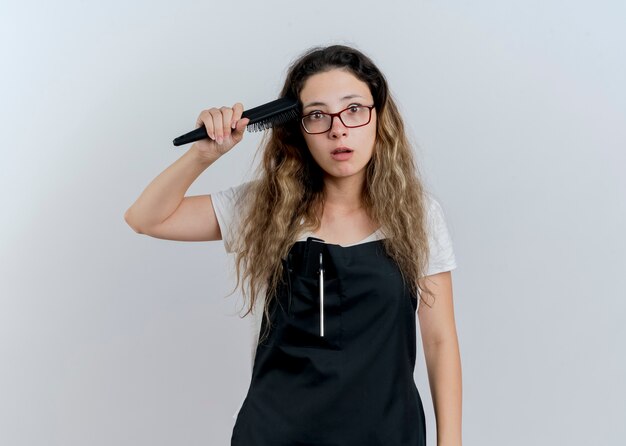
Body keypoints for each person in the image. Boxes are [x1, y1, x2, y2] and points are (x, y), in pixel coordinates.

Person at [124, 44, 462, 446]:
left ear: (379, 117)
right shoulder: (266, 207)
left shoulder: (417, 215)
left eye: (354, 109)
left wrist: (450, 443)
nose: (338, 129)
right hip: (276, 434)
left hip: (388, 434)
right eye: (317, 115)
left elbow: (440, 341)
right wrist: (204, 154)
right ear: (298, 129)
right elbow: (146, 218)